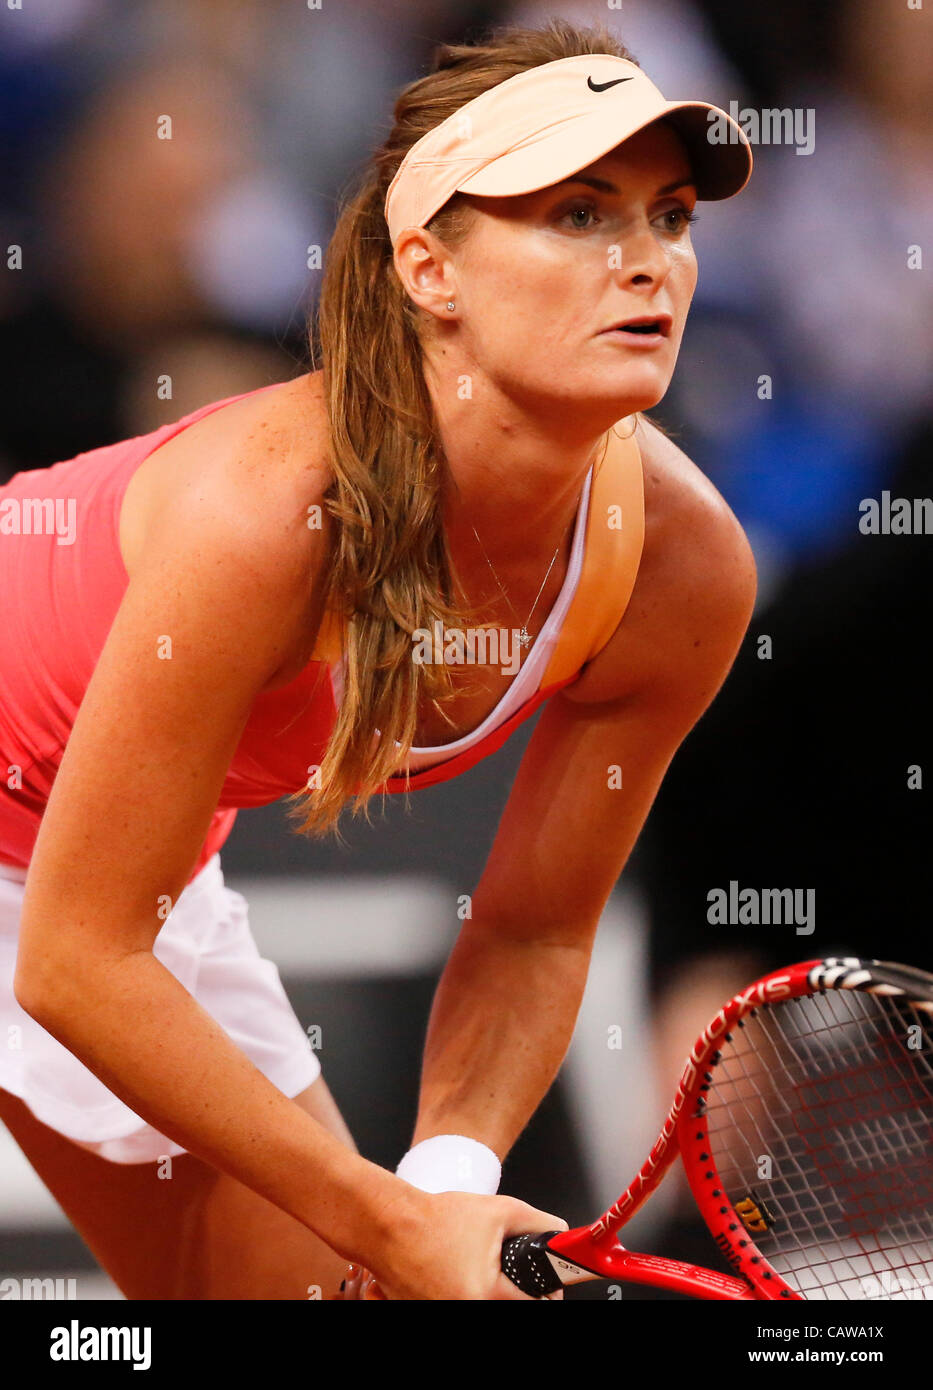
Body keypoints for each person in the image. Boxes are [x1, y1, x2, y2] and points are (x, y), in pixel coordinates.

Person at [0, 20, 755, 1300]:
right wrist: (385, 1228)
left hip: (87, 870)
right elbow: (76, 958)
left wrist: (442, 1190)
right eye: (579, 215)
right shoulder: (268, 514)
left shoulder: (682, 571)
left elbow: (529, 930)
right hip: (78, 911)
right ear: (429, 268)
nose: (647, 263)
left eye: (669, 217)